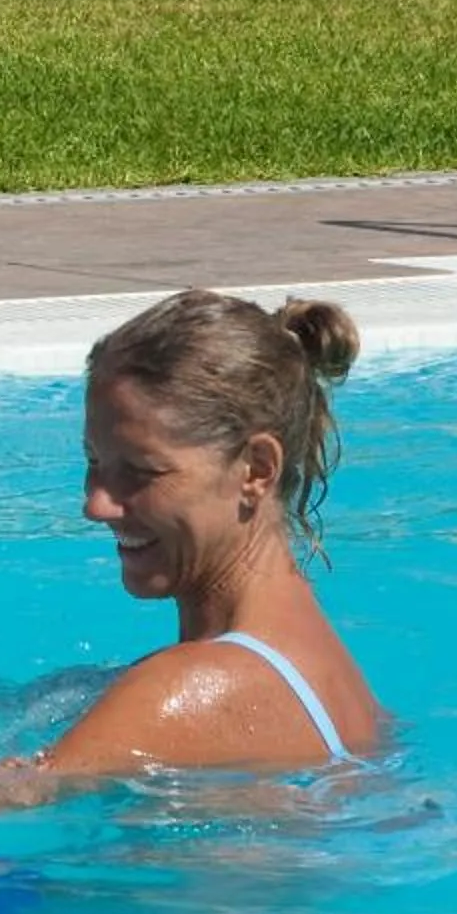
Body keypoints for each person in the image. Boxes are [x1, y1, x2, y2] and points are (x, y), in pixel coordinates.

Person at [39, 289, 383, 775]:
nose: (96, 503)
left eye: (141, 472)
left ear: (256, 470)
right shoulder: (325, 667)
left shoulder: (184, 690)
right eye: (94, 461)